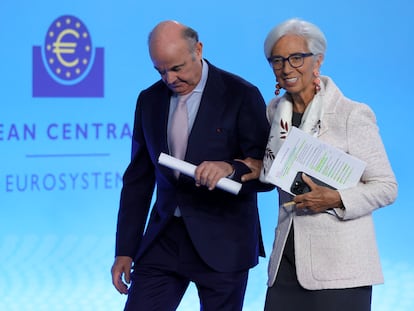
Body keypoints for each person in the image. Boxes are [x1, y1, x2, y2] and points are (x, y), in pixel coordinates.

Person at [110, 20, 272, 311]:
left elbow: (269, 173)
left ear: (198, 49)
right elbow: (138, 180)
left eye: (177, 68)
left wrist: (231, 168)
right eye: (161, 71)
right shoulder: (149, 100)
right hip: (164, 237)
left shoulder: (241, 95)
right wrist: (124, 250)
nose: (170, 79)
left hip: (223, 241)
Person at [254, 18, 397, 310]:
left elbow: (386, 187)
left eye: (296, 58)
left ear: (317, 60)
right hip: (287, 264)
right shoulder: (273, 113)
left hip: (341, 269)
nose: (286, 68)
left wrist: (336, 198)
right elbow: (274, 171)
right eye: (277, 60)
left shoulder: (350, 114)